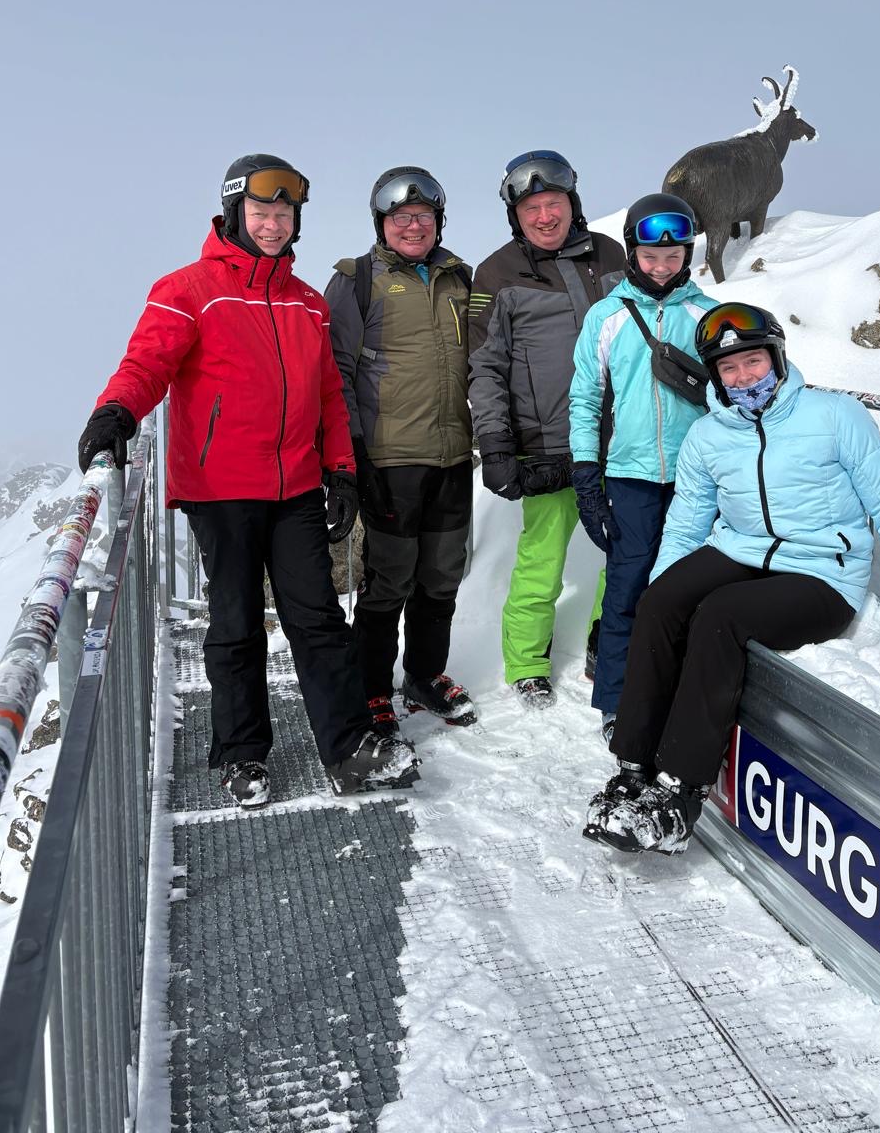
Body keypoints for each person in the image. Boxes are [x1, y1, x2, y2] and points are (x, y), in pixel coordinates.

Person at [77, 154, 420, 808]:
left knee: (318, 619)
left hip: (295, 488)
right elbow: (147, 363)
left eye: (284, 213)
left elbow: (329, 398)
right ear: (235, 213)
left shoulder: (307, 304)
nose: (273, 224)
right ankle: (242, 755)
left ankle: (350, 747)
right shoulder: (187, 289)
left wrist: (342, 472)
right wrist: (116, 410)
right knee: (236, 624)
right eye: (261, 212)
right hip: (220, 489)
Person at [584, 301, 880, 853]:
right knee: (659, 603)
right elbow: (684, 526)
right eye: (728, 368)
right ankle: (632, 769)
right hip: (741, 549)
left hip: (821, 569)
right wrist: (663, 586)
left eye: (752, 361)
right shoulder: (707, 435)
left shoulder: (835, 415)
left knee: (720, 616)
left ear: (775, 357)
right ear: (715, 376)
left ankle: (681, 790)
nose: (743, 377)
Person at [468, 151, 625, 704]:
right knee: (542, 561)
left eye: (553, 202)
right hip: (547, 446)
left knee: (627, 554)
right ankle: (526, 662)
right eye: (530, 208)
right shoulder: (496, 274)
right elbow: (485, 366)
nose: (544, 216)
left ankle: (610, 643)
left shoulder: (610, 254)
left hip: (618, 441)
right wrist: (495, 443)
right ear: (516, 216)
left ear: (571, 203)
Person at [325, 166, 476, 736]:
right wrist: (350, 455)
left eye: (424, 216)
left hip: (452, 455)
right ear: (381, 224)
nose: (414, 226)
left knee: (441, 576)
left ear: (439, 220)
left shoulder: (461, 279)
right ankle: (371, 687)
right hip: (389, 459)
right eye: (401, 217)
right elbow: (335, 372)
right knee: (389, 579)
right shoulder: (356, 280)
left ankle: (423, 675)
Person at [569, 195, 719, 744]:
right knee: (627, 586)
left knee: (689, 588)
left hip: (695, 480)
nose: (661, 267)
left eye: (673, 256)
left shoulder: (706, 316)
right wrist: (587, 476)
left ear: (688, 255)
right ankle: (616, 702)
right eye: (651, 256)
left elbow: (730, 395)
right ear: (632, 253)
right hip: (629, 477)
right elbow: (585, 400)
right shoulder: (606, 316)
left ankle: (679, 693)